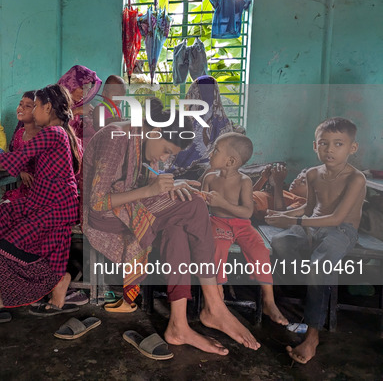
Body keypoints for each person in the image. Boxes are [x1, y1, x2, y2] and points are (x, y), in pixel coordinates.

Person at [83, 98, 260, 355]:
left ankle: (178, 326)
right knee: (196, 207)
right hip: (103, 218)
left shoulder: (142, 139)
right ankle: (214, 304)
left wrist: (173, 185)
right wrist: (152, 189)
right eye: (166, 150)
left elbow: (147, 181)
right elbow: (97, 203)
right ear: (155, 132)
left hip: (128, 209)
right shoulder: (115, 138)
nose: (164, 158)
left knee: (178, 227)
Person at [0, 84, 82, 325]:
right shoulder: (51, 133)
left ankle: (56, 279)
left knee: (9, 245)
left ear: (48, 107)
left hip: (56, 206)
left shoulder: (53, 133)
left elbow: (9, 160)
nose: (32, 110)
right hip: (41, 201)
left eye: (36, 105)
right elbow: (15, 163)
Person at [266, 117, 366, 364]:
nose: (330, 149)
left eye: (338, 144)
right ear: (315, 146)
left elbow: (336, 218)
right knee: (280, 241)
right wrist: (281, 215)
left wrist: (297, 222)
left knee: (320, 266)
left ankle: (312, 336)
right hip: (312, 227)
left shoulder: (356, 178)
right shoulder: (312, 174)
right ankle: (304, 292)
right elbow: (309, 209)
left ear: (352, 148)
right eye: (324, 143)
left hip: (341, 230)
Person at [201, 133, 288, 325]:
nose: (210, 153)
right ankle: (217, 294)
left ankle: (269, 301)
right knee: (217, 247)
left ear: (231, 161)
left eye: (215, 150)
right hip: (216, 222)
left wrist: (222, 202)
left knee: (260, 251)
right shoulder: (209, 176)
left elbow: (247, 212)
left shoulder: (244, 181)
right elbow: (201, 202)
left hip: (241, 224)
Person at [167, 75, 233, 179]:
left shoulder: (188, 122)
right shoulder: (225, 122)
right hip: (217, 175)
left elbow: (177, 156)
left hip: (185, 175)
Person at [2, 91, 40, 202]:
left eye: (28, 106)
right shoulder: (20, 133)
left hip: (39, 190)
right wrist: (21, 171)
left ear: (38, 110)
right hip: (24, 188)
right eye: (20, 104)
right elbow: (14, 159)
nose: (21, 108)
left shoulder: (42, 135)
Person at [57, 65, 102, 146]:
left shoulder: (74, 104)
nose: (85, 94)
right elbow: (52, 125)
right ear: (71, 83)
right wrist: (76, 111)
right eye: (82, 88)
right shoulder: (54, 100)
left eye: (88, 90)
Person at [91, 75, 127, 139]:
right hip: (101, 141)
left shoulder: (118, 110)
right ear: (104, 94)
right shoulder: (100, 109)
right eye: (115, 95)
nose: (118, 100)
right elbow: (97, 127)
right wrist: (109, 121)